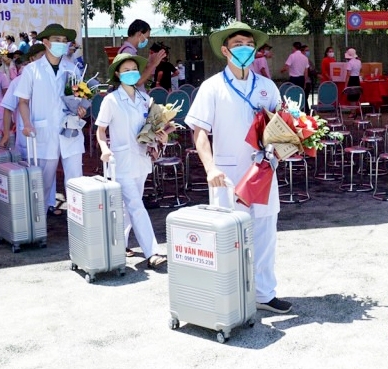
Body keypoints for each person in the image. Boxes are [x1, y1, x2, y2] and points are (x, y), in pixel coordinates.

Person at [185, 21, 291, 314]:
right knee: (228, 235)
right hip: (227, 173)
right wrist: (209, 168)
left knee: (265, 231)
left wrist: (281, 152)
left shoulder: (267, 87)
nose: (244, 49)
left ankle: (264, 293)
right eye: (237, 45)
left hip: (263, 169)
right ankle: (227, 295)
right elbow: (199, 132)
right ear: (225, 51)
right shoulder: (212, 87)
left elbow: (281, 127)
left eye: (248, 44)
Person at [95, 53, 168, 269]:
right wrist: (104, 148)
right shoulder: (111, 100)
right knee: (136, 205)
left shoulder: (145, 99)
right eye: (125, 70)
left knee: (129, 205)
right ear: (118, 74)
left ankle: (119, 245)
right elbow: (100, 131)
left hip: (142, 159)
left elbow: (151, 129)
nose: (131, 73)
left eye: (133, 69)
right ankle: (152, 251)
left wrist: (160, 138)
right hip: (121, 161)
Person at [15, 24, 85, 217]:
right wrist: (27, 123)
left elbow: (80, 98)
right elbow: (22, 101)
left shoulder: (72, 70)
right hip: (43, 132)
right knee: (44, 181)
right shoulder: (32, 70)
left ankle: (78, 221)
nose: (61, 44)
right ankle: (39, 220)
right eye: (57, 40)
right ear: (45, 42)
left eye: (64, 41)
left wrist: (81, 110)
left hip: (70, 130)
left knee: (75, 180)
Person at [0, 44, 46, 156]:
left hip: (47, 136)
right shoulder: (18, 81)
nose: (45, 60)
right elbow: (8, 108)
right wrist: (6, 135)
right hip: (26, 136)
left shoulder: (52, 80)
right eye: (42, 56)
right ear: (32, 59)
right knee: (27, 170)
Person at [117, 19, 165, 89]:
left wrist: (150, 63)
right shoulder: (128, 52)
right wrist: (153, 64)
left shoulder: (130, 51)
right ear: (139, 34)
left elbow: (140, 76)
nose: (146, 40)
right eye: (146, 37)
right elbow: (138, 81)